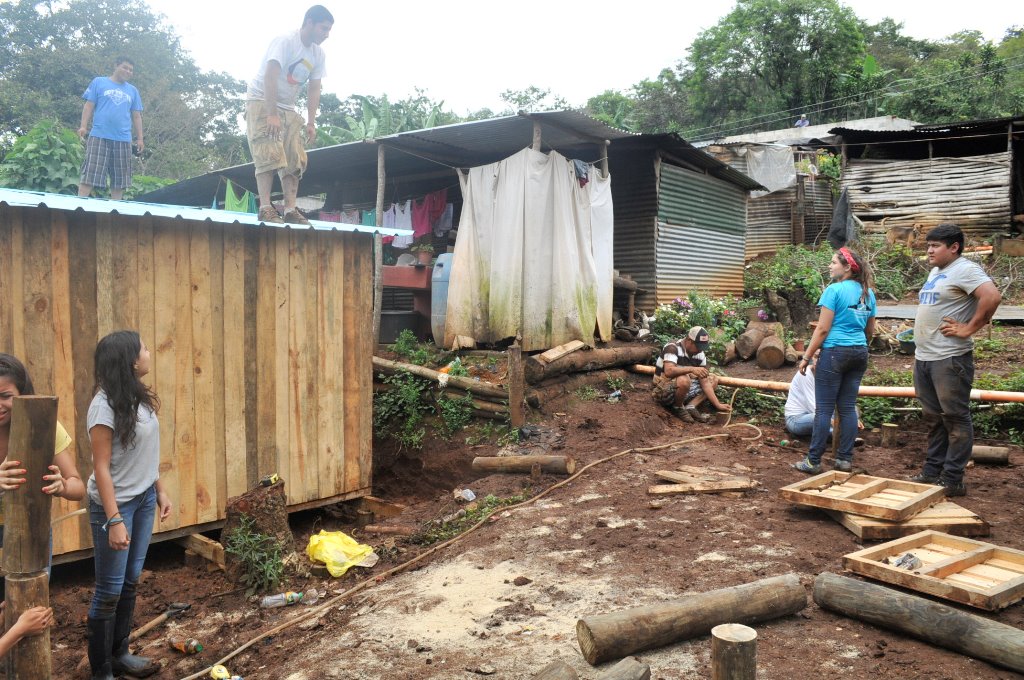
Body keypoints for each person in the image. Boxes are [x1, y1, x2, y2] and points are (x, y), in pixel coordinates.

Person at [86, 331, 171, 680]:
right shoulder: (102, 407)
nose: (149, 352)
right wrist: (114, 519)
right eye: (145, 348)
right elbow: (101, 468)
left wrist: (160, 490)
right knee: (109, 589)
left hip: (145, 498)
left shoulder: (138, 396)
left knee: (131, 580)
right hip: (115, 506)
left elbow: (145, 453)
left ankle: (120, 653)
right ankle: (101, 671)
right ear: (131, 361)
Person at [909, 224, 1002, 496]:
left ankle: (953, 479)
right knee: (934, 418)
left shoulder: (966, 269)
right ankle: (931, 472)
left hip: (950, 358)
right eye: (928, 245)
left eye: (935, 245)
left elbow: (992, 296)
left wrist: (969, 328)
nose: (929, 250)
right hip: (925, 356)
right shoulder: (937, 270)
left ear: (954, 247)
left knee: (955, 418)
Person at [245, 5, 334, 225]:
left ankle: (290, 210)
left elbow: (315, 88)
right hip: (262, 100)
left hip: (289, 108)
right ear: (309, 22)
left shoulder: (318, 53)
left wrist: (311, 121)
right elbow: (270, 77)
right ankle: (265, 207)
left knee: (295, 159)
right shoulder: (285, 41)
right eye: (324, 29)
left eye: (329, 30)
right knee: (268, 153)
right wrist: (271, 114)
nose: (326, 35)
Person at [793, 247, 876, 474]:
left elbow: (822, 329)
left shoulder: (834, 290)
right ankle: (844, 460)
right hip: (859, 352)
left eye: (833, 262)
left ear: (847, 267)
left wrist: (807, 356)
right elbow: (871, 330)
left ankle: (813, 461)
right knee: (848, 408)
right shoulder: (868, 293)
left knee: (823, 410)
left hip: (835, 352)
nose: (830, 266)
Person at [0, 353, 86, 555]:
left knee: (32, 586)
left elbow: (78, 487)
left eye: (5, 396)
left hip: (31, 526)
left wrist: (61, 485)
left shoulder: (43, 427)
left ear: (23, 393)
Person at [77, 57, 144, 200]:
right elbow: (89, 105)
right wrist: (83, 126)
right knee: (90, 173)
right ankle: (79, 206)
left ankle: (115, 211)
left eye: (131, 70)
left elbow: (137, 116)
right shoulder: (99, 82)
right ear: (116, 66)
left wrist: (140, 139)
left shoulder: (133, 91)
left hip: (123, 139)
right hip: (99, 136)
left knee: (119, 179)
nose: (128, 71)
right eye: (125, 67)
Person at [651, 326, 733, 423]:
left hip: (682, 391)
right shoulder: (672, 347)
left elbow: (705, 382)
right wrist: (691, 369)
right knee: (684, 378)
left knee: (713, 379)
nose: (700, 350)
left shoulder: (700, 354)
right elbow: (669, 371)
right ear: (689, 341)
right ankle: (678, 408)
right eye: (698, 346)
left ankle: (690, 406)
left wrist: (718, 404)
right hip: (662, 391)